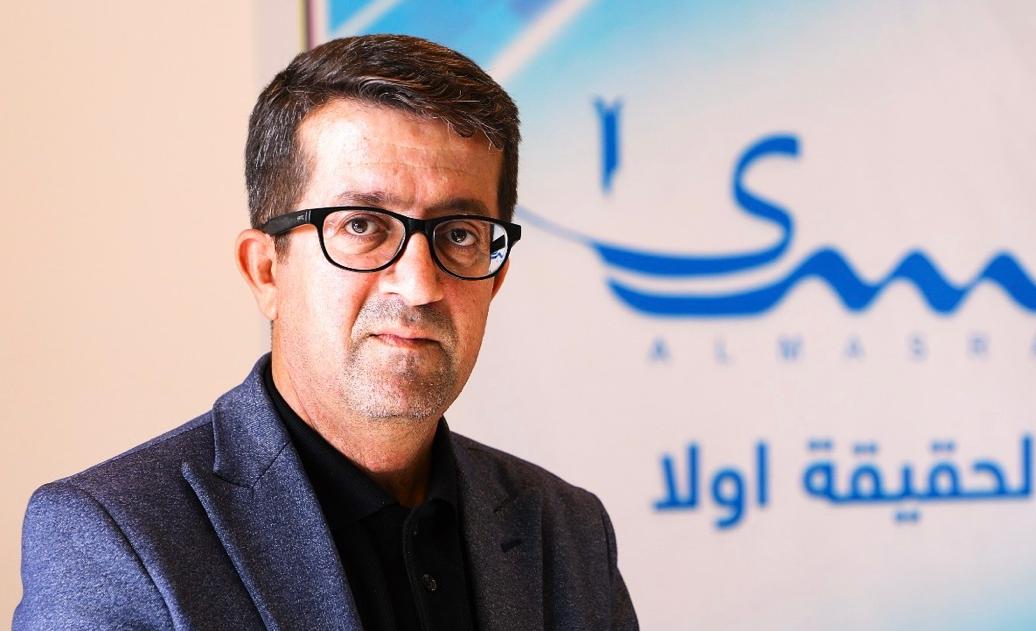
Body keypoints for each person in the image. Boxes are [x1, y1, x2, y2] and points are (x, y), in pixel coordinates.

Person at [14, 34, 638, 631]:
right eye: (362, 225)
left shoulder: (569, 533)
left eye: (459, 234)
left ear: (494, 281)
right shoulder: (113, 538)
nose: (418, 285)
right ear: (266, 270)